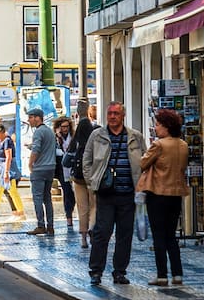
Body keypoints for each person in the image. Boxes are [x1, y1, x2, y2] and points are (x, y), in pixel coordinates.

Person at [80, 101, 146, 286]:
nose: (112, 117)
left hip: (128, 194)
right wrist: (92, 182)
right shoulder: (97, 136)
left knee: (125, 235)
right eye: (110, 113)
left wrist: (140, 185)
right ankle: (96, 271)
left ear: (123, 115)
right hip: (106, 194)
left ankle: (119, 272)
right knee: (102, 233)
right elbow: (87, 161)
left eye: (116, 113)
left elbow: (145, 161)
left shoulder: (135, 137)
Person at [140, 108, 190, 286]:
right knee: (171, 235)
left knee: (159, 235)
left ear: (167, 127)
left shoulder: (159, 145)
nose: (156, 128)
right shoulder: (183, 145)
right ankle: (178, 274)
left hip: (158, 194)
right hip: (176, 194)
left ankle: (162, 275)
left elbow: (143, 163)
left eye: (158, 125)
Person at [24, 108, 57, 235]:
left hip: (40, 168)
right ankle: (51, 226)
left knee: (37, 198)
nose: (29, 120)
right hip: (50, 168)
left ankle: (40, 225)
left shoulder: (38, 132)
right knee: (47, 198)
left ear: (38, 118)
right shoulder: (49, 131)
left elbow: (37, 150)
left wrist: (30, 163)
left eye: (31, 117)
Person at [68, 112, 97, 247]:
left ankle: (83, 239)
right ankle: (92, 227)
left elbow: (65, 161)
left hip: (78, 179)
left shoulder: (75, 142)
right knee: (94, 206)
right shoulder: (94, 140)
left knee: (82, 208)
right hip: (92, 178)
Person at [53, 117, 78, 233]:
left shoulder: (73, 137)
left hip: (73, 168)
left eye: (67, 126)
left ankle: (71, 212)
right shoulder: (56, 138)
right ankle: (69, 217)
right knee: (67, 192)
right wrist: (58, 138)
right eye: (63, 127)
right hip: (62, 170)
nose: (65, 129)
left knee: (73, 194)